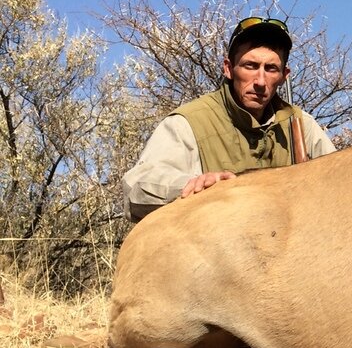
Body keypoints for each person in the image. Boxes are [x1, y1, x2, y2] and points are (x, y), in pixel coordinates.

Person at [122, 16, 336, 222]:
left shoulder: (300, 124)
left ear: (284, 76)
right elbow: (137, 189)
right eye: (250, 66)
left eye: (271, 69)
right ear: (228, 69)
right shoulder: (189, 122)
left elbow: (339, 182)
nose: (260, 81)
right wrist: (193, 186)